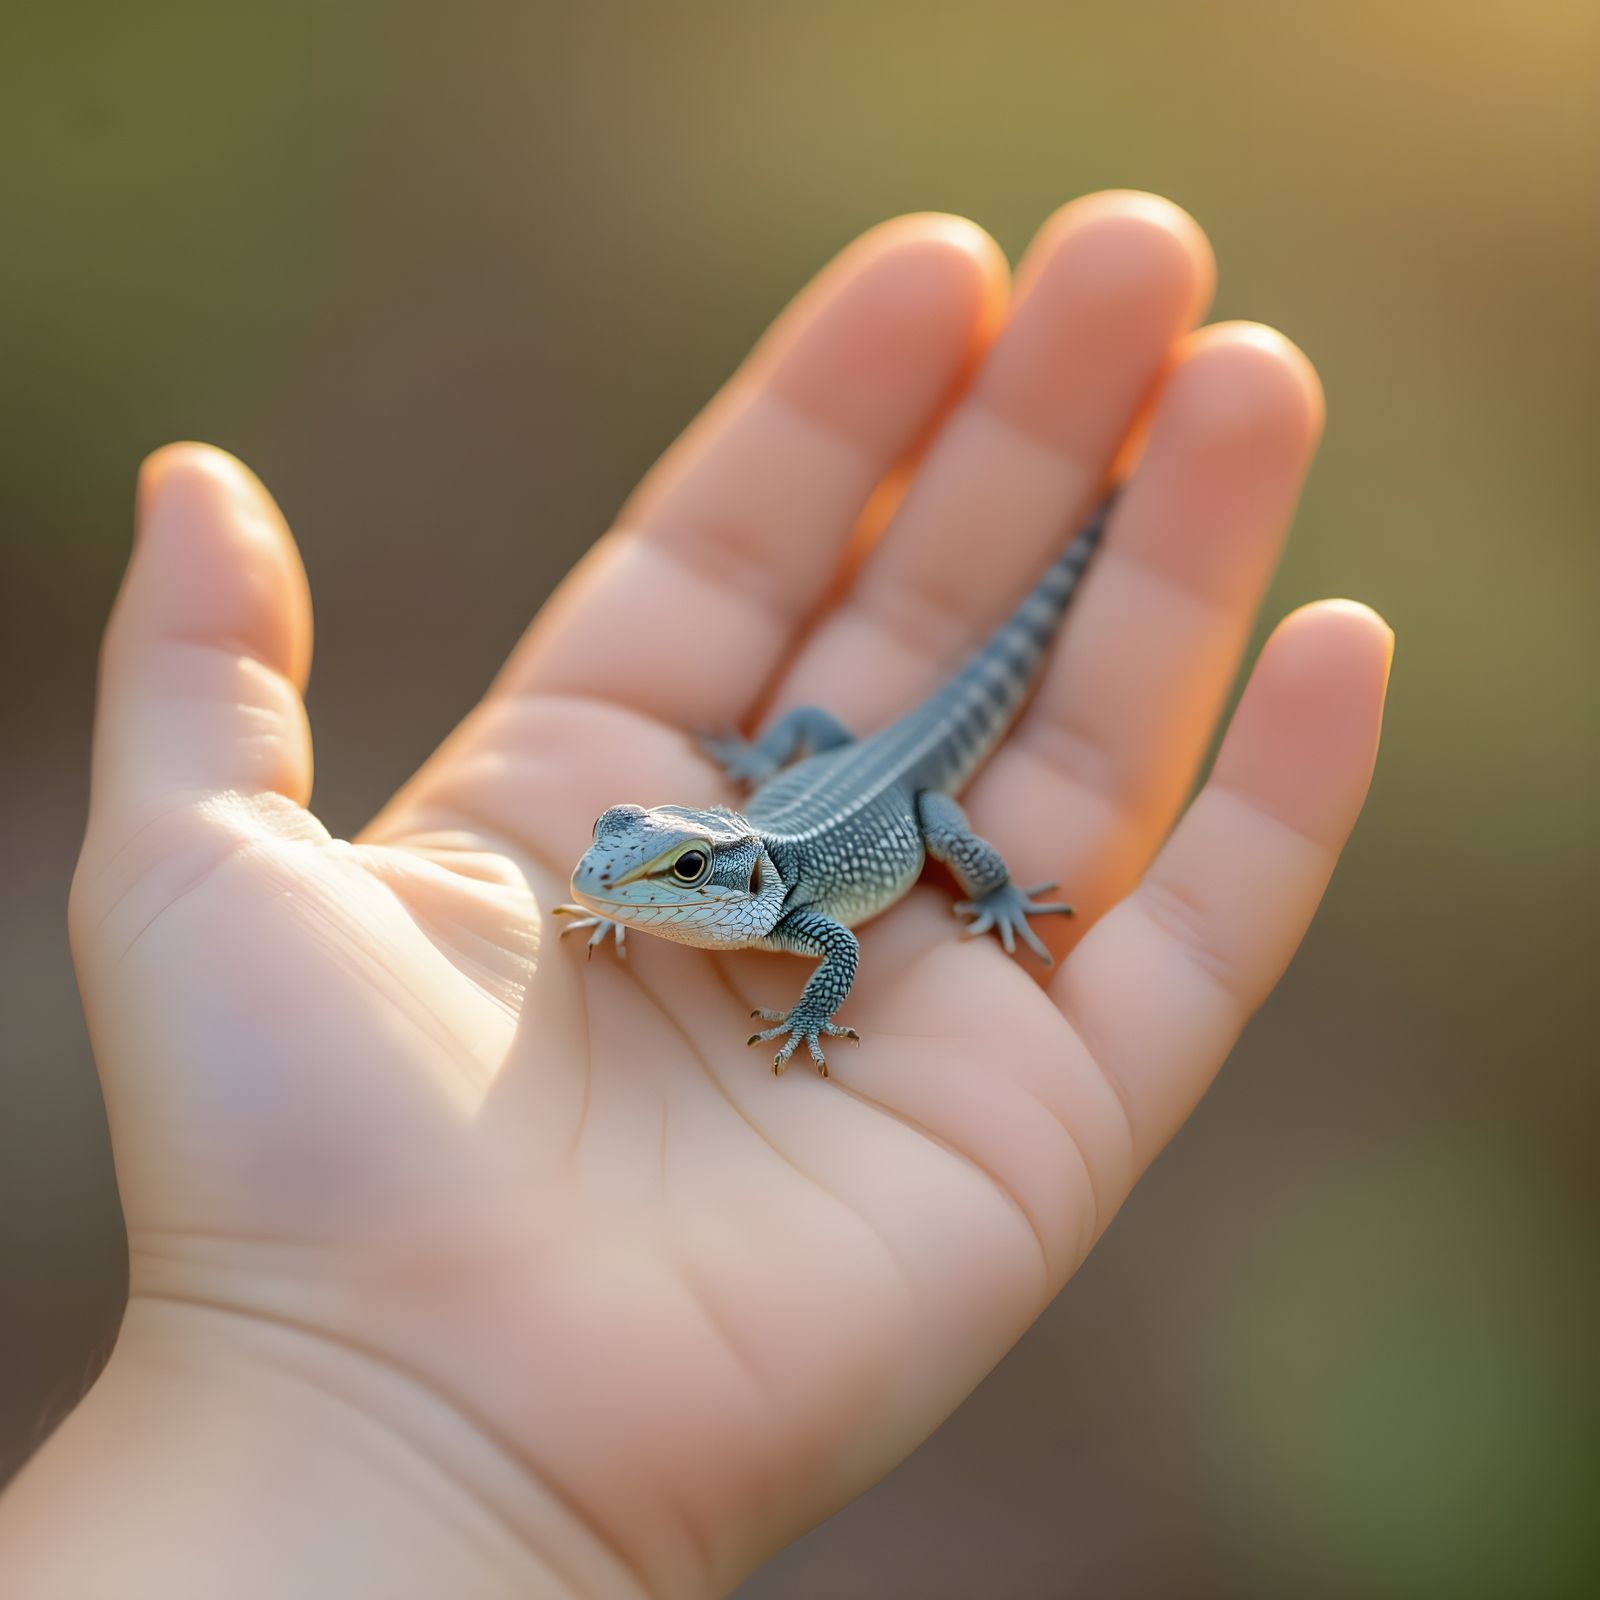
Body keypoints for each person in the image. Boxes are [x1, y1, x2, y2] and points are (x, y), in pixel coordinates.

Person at [0, 191, 1390, 1598]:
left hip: (887, 793)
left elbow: (832, 968)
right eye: (620, 865)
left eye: (652, 874)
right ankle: (1083, 527)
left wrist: (890, 958)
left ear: (715, 876)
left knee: (966, 782)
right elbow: (628, 879)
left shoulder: (791, 916)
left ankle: (1087, 576)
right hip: (808, 778)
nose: (612, 887)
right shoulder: (684, 884)